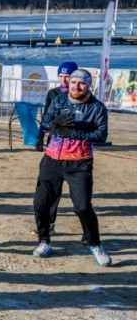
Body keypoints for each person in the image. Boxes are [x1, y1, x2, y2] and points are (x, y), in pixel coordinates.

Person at [33, 68, 110, 265]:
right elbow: (45, 124)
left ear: (88, 85)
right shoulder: (59, 100)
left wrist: (74, 133)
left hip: (79, 161)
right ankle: (44, 241)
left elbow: (101, 136)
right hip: (52, 159)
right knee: (41, 203)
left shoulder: (97, 107)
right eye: (73, 82)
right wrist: (54, 124)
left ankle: (94, 243)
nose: (76, 86)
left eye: (82, 83)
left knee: (82, 207)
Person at [33, 60, 77, 236]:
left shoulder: (81, 95)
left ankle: (85, 222)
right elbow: (46, 117)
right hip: (55, 143)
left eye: (68, 76)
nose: (64, 79)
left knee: (77, 193)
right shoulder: (53, 94)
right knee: (51, 185)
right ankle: (49, 222)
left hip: (74, 146)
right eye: (61, 76)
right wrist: (40, 136)